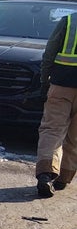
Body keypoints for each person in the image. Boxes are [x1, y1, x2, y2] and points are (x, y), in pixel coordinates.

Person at [36, 11, 77, 198]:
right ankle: (63, 178)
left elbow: (50, 52)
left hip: (62, 84)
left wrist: (45, 80)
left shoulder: (69, 20)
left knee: (52, 130)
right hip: (63, 84)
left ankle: (46, 174)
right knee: (75, 136)